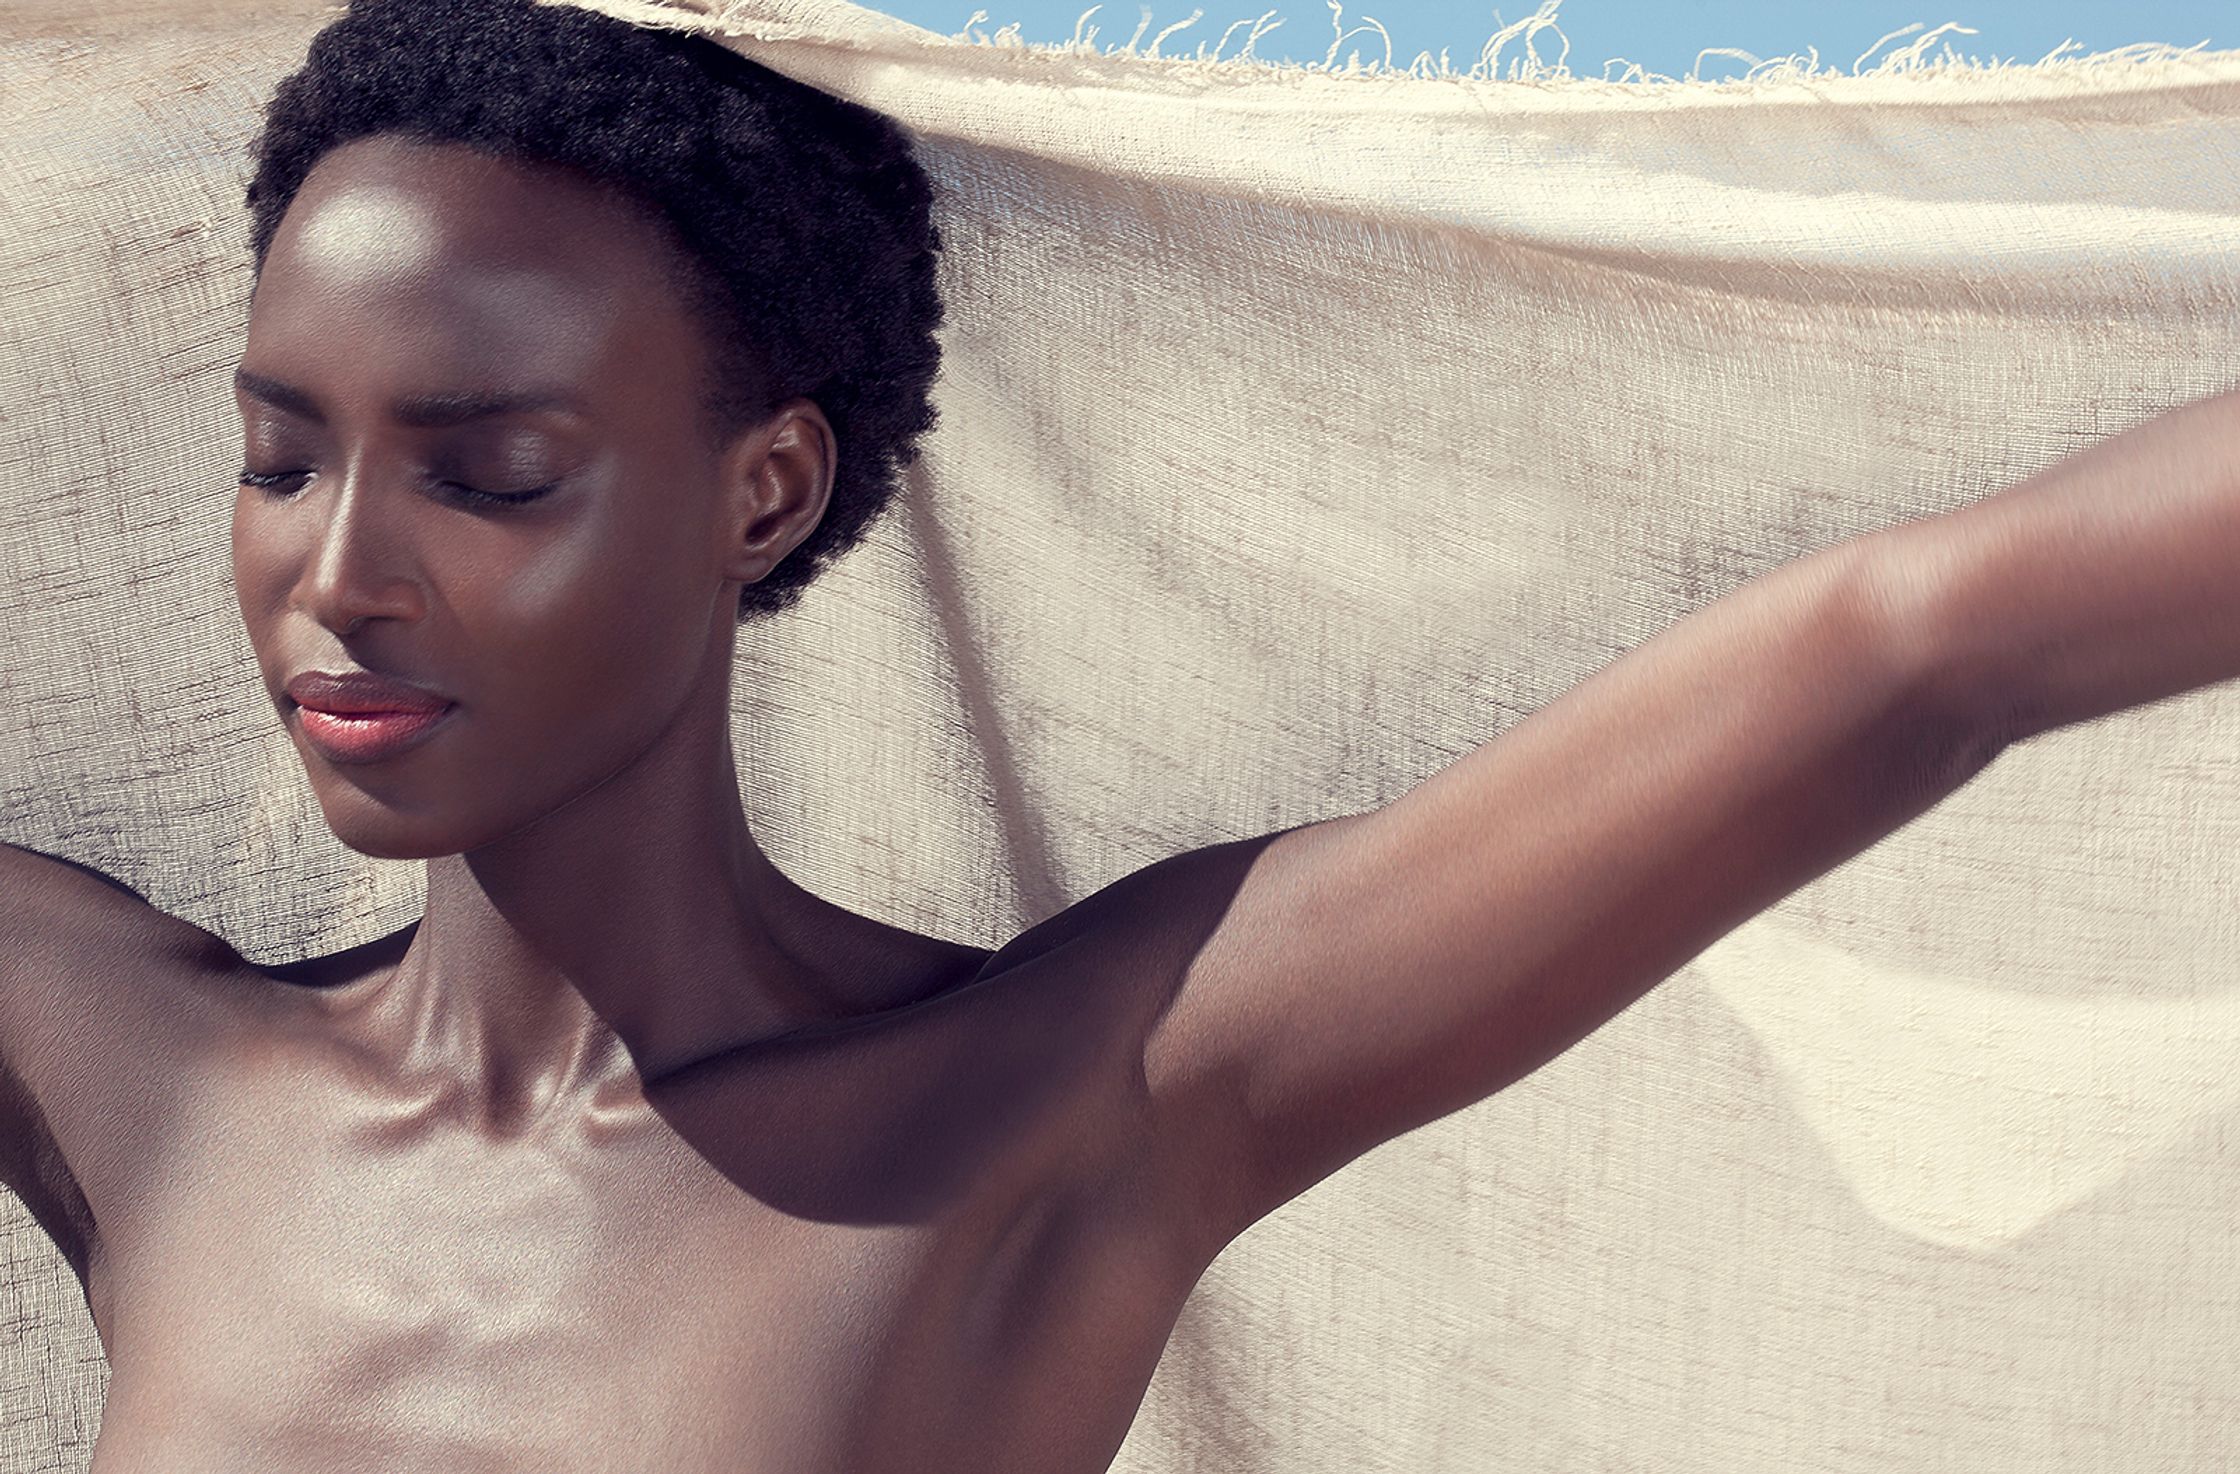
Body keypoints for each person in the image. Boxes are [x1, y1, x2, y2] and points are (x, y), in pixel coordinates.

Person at [5, 0, 2237, 1468]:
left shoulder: (1057, 1102)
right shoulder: (138, 1068)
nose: (341, 568)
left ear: (758, 489)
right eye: (280, 453)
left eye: (487, 472)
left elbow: (1909, 649)